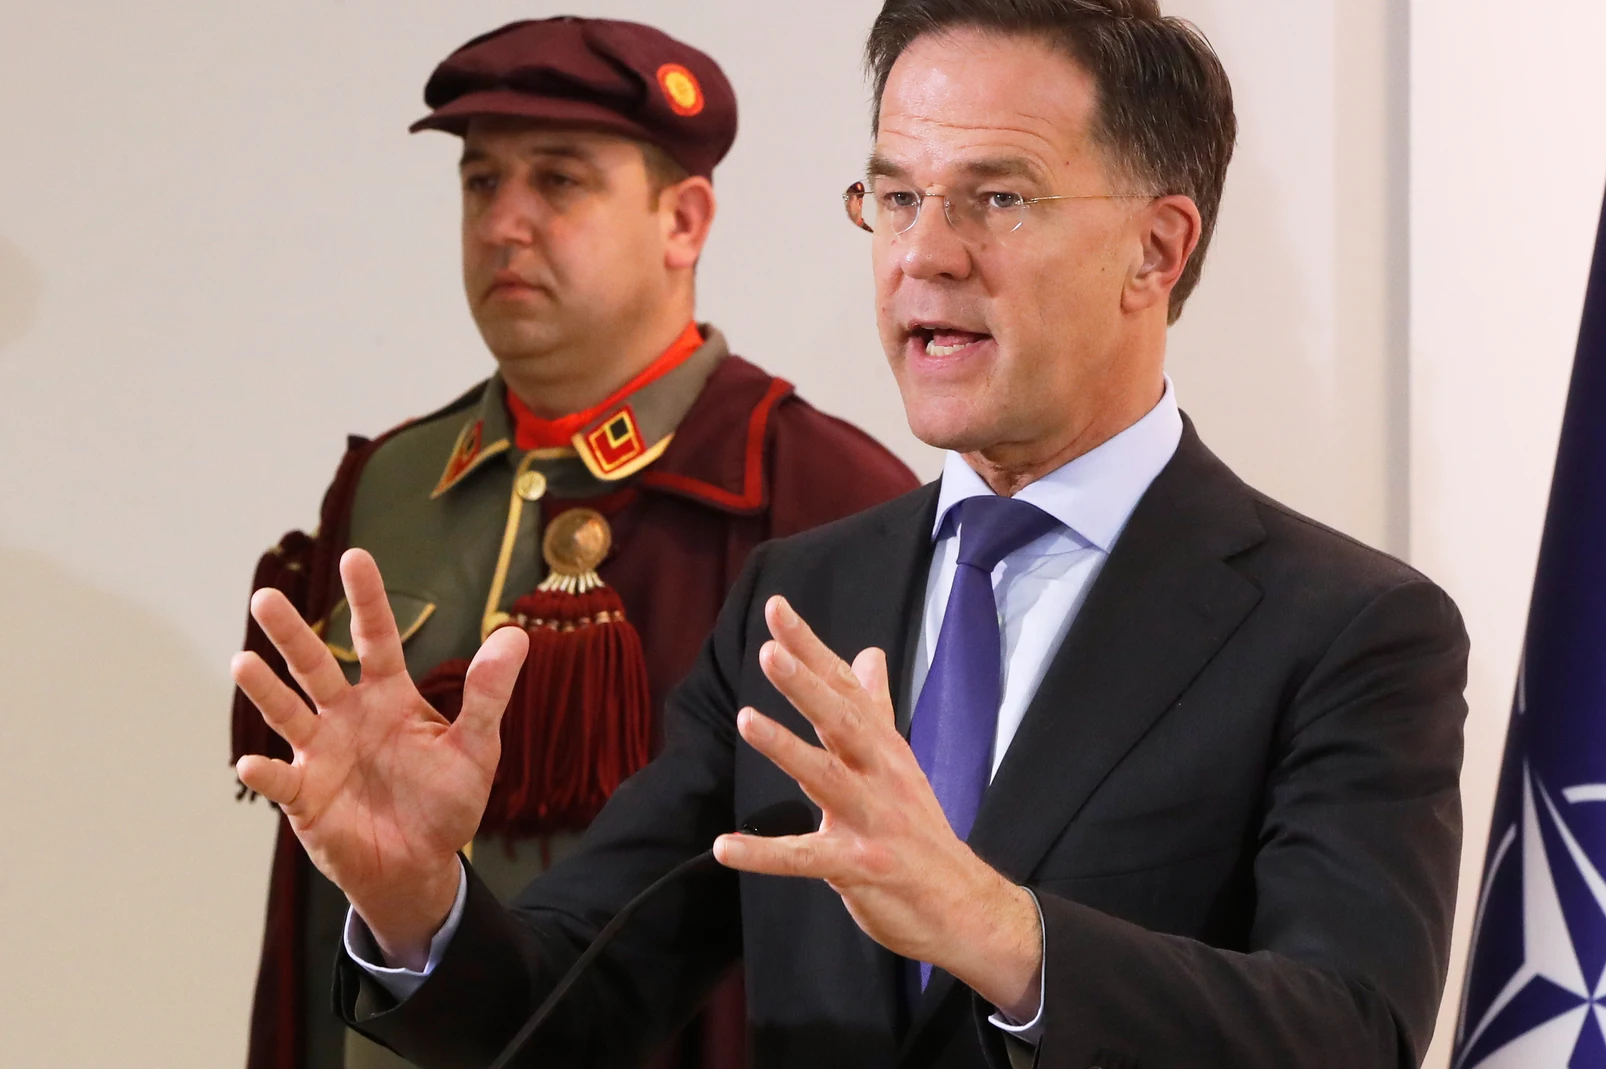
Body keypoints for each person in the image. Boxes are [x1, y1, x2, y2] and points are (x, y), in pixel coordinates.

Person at [233, 1, 1469, 1066]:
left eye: (997, 197)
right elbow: (575, 1006)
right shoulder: (802, 593)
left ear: (1156, 249)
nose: (922, 254)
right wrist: (419, 906)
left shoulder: (1346, 630)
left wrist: (1002, 931)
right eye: (895, 195)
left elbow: (1351, 1031)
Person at [227, 17, 919, 1069]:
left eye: (558, 181)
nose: (504, 222)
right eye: (480, 182)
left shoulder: (817, 495)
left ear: (683, 221)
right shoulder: (391, 486)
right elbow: (316, 904)